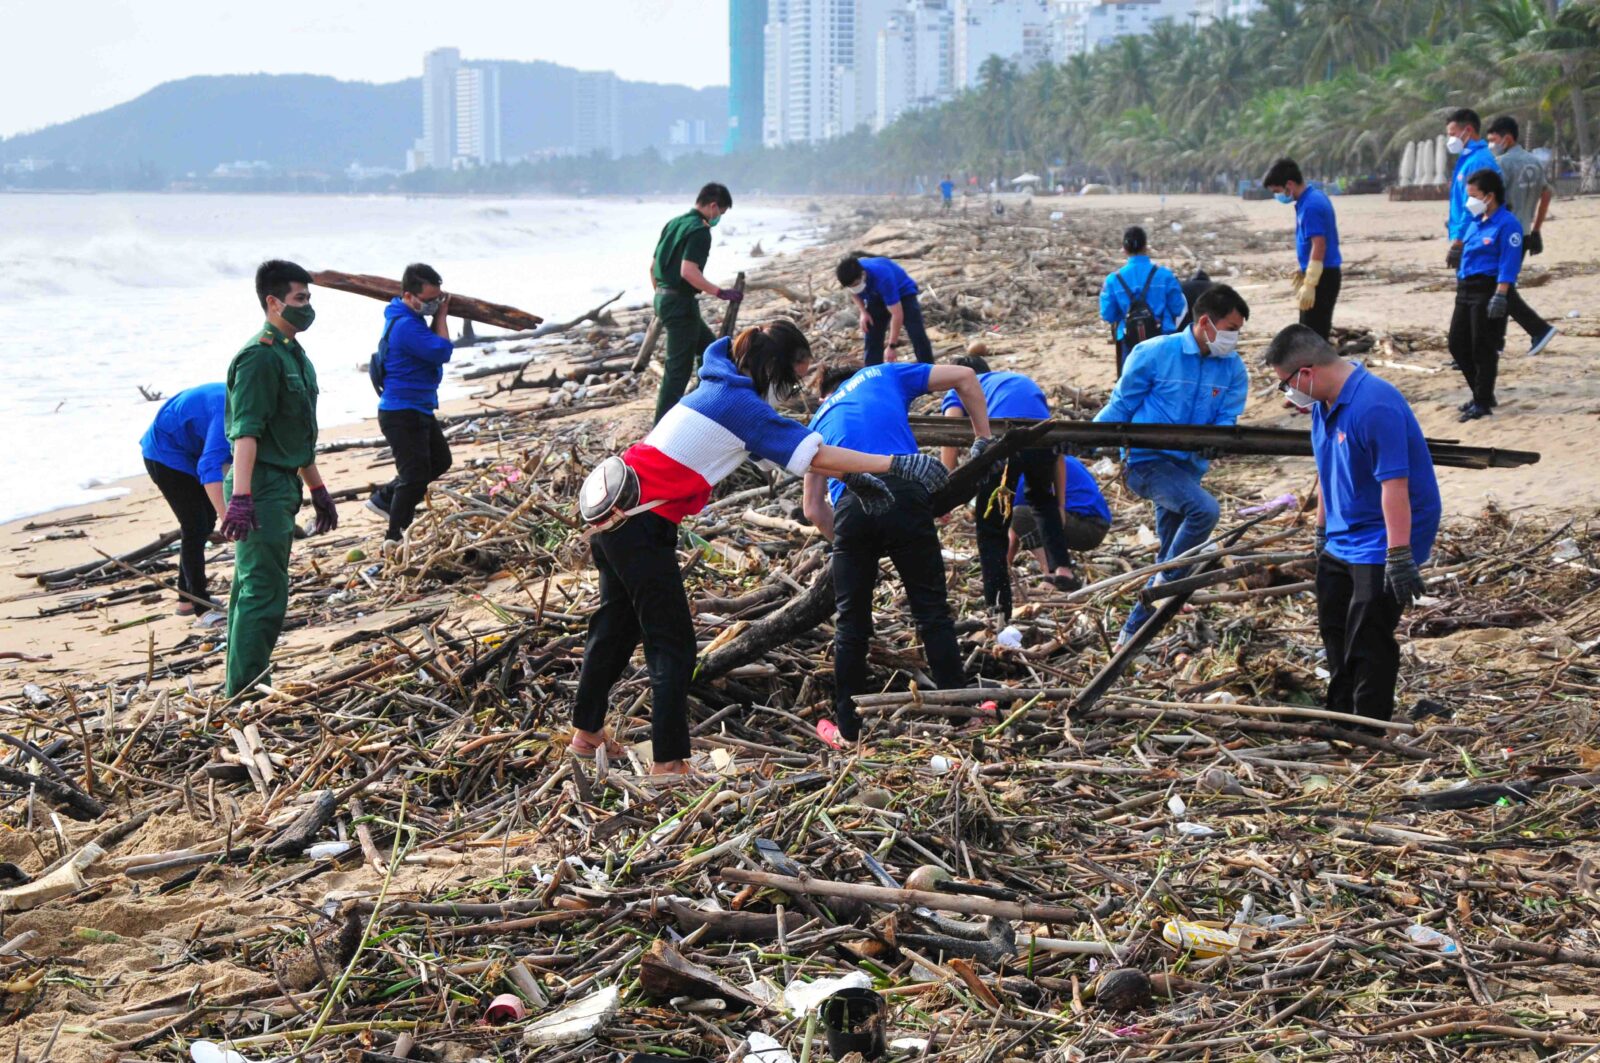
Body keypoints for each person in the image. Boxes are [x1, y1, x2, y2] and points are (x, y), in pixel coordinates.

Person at [572, 322, 943, 775]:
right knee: (672, 645)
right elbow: (814, 455)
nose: (788, 393)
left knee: (614, 627)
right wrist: (896, 464)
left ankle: (586, 737)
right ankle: (668, 765)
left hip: (614, 513)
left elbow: (786, 456)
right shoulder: (737, 404)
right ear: (771, 367)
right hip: (640, 524)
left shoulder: (713, 388)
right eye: (789, 380)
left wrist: (855, 478)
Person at [803, 360, 993, 749]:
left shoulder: (820, 416)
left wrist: (849, 546)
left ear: (826, 392)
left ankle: (849, 730)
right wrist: (983, 440)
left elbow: (812, 509)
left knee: (851, 625)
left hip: (852, 507)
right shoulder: (883, 373)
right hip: (906, 490)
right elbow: (966, 377)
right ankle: (959, 716)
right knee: (932, 612)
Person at [1265, 324, 1440, 724]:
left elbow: (1395, 486)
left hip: (1386, 533)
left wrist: (1399, 555)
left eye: (1286, 384)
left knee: (1368, 634)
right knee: (1335, 629)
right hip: (1344, 533)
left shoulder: (1374, 404)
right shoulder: (1323, 406)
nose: (1288, 396)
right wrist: (1321, 531)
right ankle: (1340, 718)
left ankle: (1369, 726)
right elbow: (1328, 474)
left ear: (1306, 373)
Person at [1093, 283, 1251, 646]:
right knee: (1205, 512)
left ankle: (1130, 637)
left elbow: (1227, 421)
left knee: (1171, 554)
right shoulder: (1153, 353)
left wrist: (1219, 443)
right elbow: (1120, 406)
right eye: (1230, 330)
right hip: (1146, 464)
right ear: (1205, 323)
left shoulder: (1232, 369)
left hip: (1188, 470)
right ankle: (1161, 587)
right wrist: (1082, 438)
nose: (1234, 339)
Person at [220, 260, 340, 698]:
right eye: (299, 299)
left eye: (309, 299)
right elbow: (246, 432)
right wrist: (242, 498)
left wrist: (318, 488)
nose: (307, 308)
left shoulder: (293, 354)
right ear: (273, 302)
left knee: (253, 588)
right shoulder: (258, 357)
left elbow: (294, 434)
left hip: (281, 482)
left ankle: (240, 685)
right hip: (260, 487)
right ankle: (247, 691)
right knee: (262, 593)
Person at [937, 355, 1078, 620]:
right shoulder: (1013, 379)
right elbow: (1057, 452)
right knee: (1040, 498)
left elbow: (950, 434)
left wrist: (945, 492)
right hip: (1043, 437)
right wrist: (1059, 504)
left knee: (991, 527)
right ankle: (1063, 570)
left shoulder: (962, 386)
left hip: (1005, 439)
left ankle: (997, 607)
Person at [366, 262, 455, 546]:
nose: (434, 305)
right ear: (408, 296)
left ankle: (385, 498)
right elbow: (441, 351)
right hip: (401, 412)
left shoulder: (412, 320)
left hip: (417, 408)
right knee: (414, 476)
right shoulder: (405, 325)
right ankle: (394, 536)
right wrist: (442, 315)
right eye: (429, 300)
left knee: (440, 461)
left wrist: (435, 310)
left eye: (438, 299)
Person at [649, 182, 743, 423]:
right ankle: (661, 426)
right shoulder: (699, 231)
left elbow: (652, 267)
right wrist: (719, 292)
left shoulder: (674, 223)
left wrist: (662, 297)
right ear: (713, 206)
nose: (718, 218)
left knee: (711, 351)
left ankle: (705, 405)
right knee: (677, 370)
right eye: (720, 213)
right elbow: (688, 271)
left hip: (663, 297)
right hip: (680, 303)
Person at [139, 382, 231, 620]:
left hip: (189, 447)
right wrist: (229, 518)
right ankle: (202, 609)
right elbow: (210, 466)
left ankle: (186, 599)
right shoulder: (227, 413)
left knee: (204, 520)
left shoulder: (249, 404)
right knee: (195, 525)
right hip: (164, 453)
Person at [1449, 168, 1523, 422]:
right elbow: (1466, 246)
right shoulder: (1476, 220)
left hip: (1488, 289)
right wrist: (1455, 249)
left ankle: (1482, 401)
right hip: (1465, 289)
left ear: (1489, 196)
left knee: (1483, 346)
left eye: (1473, 195)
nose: (1469, 201)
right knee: (1457, 344)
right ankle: (1482, 392)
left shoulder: (1507, 224)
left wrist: (1501, 294)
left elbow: (1509, 262)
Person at [1485, 115, 1558, 356]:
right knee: (1503, 285)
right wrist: (1537, 229)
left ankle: (1539, 329)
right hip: (1525, 233)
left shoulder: (1502, 163)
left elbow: (1493, 199)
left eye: (1493, 139)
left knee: (1500, 288)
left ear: (1507, 138)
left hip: (1505, 234)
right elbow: (1546, 194)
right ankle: (1496, 342)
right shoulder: (1534, 162)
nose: (1491, 144)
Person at [1262, 158, 1342, 341]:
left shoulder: (1311, 206)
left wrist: (1311, 281)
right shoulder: (1313, 197)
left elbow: (1319, 244)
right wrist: (1304, 269)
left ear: (1289, 184)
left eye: (1277, 191)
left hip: (1323, 276)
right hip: (1320, 271)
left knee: (1312, 334)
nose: (1278, 196)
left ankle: (1316, 368)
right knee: (1309, 328)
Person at [1099, 226, 1187, 378]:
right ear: (1146, 247)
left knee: (1132, 388)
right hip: (1163, 338)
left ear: (1124, 249)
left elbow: (1108, 315)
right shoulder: (1165, 275)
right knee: (1165, 386)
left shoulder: (1113, 280)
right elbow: (1178, 308)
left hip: (1129, 341)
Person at [1007, 455, 1113, 574]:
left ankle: (1052, 574)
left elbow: (1014, 531)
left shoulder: (1023, 474)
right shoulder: (1060, 457)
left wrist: (1002, 566)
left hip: (1087, 527)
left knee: (1020, 514)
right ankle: (1060, 566)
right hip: (1099, 524)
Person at [836, 253, 935, 366]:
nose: (854, 287)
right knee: (872, 333)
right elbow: (852, 292)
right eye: (851, 286)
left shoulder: (882, 277)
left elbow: (897, 314)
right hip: (875, 296)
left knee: (917, 333)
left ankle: (928, 368)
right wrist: (863, 312)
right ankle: (873, 372)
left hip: (903, 293)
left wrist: (892, 346)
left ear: (863, 275)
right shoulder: (850, 278)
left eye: (856, 284)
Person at [1444, 108, 1498, 274]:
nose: (1450, 139)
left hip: (1476, 237)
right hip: (1469, 234)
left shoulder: (1478, 161)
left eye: (1453, 134)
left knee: (1473, 293)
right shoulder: (1467, 158)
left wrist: (1459, 240)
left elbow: (1475, 204)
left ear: (1468, 130)